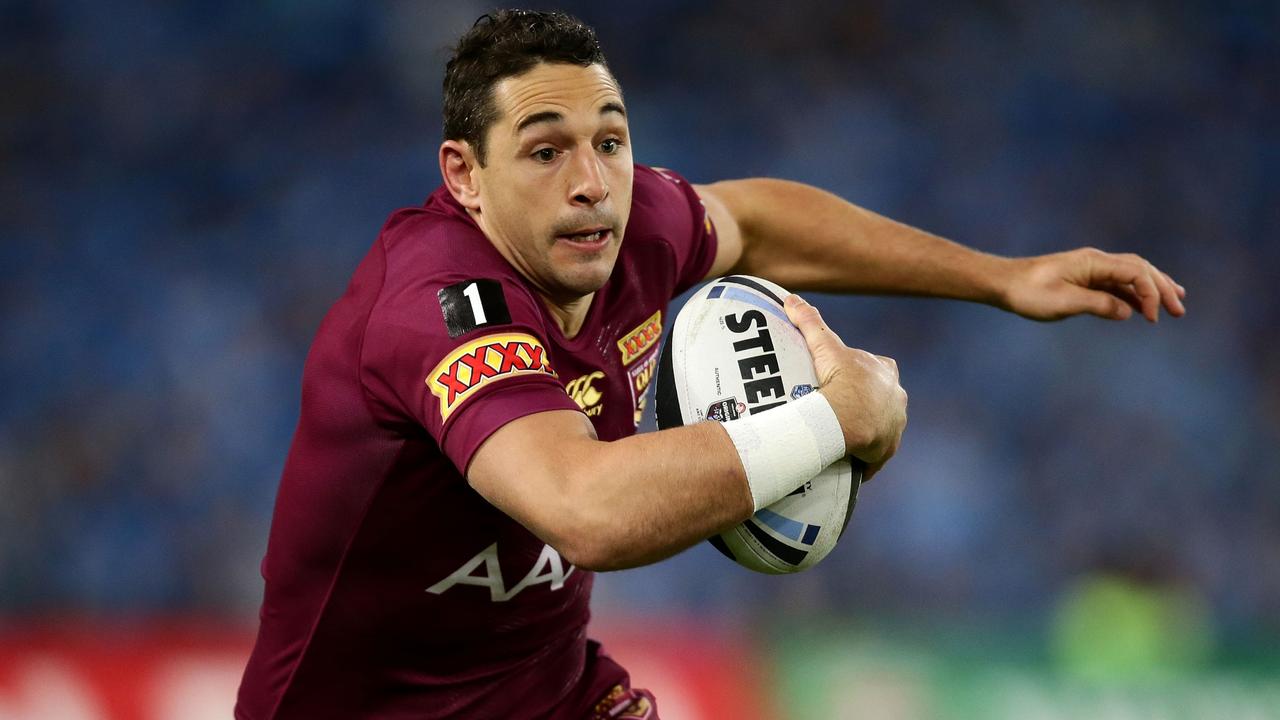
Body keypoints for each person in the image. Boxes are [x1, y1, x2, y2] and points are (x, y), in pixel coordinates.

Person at [235, 9, 1185, 719]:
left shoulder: (622, 226)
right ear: (463, 178)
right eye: (545, 151)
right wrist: (831, 420)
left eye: (610, 140)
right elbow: (587, 511)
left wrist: (1005, 279)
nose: (591, 181)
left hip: (549, 696)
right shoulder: (442, 305)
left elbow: (762, 221)